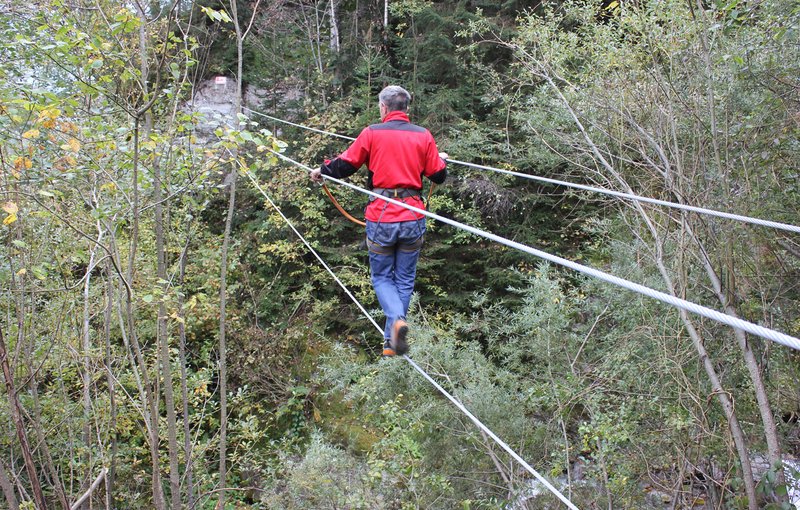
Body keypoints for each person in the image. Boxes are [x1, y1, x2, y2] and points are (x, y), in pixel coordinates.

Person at [310, 85, 448, 357]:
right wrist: (442, 161)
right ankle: (392, 341)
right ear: (406, 108)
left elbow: (346, 164)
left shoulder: (372, 132)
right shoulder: (423, 135)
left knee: (382, 276)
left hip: (382, 217)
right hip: (412, 217)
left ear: (383, 108)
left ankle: (395, 325)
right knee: (405, 279)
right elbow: (438, 176)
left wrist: (322, 171)